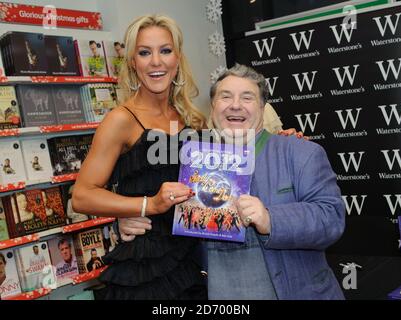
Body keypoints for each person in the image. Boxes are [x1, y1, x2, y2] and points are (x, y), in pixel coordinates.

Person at [119, 64, 346, 300]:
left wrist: (270, 218)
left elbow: (331, 218)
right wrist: (136, 218)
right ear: (214, 106)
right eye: (225, 97)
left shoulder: (301, 152)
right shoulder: (192, 161)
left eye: (247, 97)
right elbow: (174, 224)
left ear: (262, 106)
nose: (235, 105)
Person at [72, 14, 208, 300]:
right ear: (133, 62)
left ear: (178, 58)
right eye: (145, 52)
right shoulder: (121, 120)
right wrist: (147, 205)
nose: (156, 62)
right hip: (147, 268)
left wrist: (278, 142)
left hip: (193, 258)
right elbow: (82, 196)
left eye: (165, 50)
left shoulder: (190, 117)